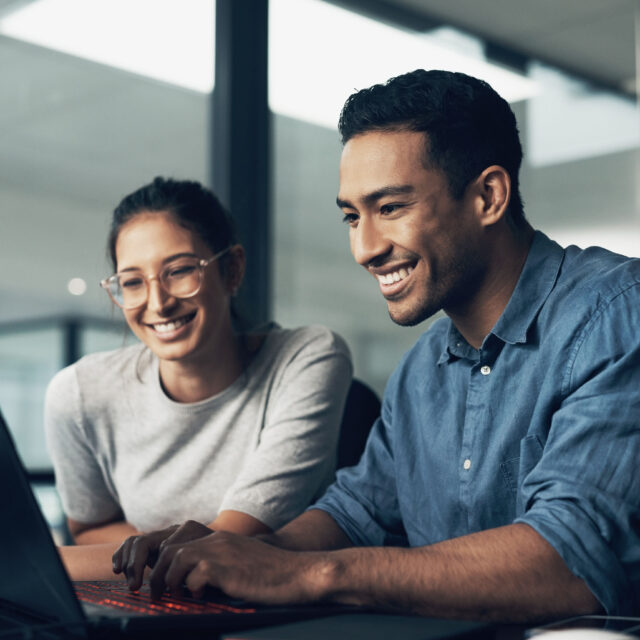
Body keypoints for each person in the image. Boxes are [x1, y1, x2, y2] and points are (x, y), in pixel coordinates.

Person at [114, 71, 640, 621]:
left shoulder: (619, 316)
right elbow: (356, 512)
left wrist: (307, 574)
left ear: (488, 196)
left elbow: (569, 562)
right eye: (351, 216)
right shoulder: (422, 370)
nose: (365, 249)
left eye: (390, 208)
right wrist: (240, 554)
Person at [44, 177, 352, 579]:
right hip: (150, 607)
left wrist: (47, 565)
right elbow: (88, 528)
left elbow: (223, 548)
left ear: (232, 269)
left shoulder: (307, 358)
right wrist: (145, 556)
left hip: (270, 612)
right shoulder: (79, 394)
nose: (158, 303)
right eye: (133, 282)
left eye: (180, 271)